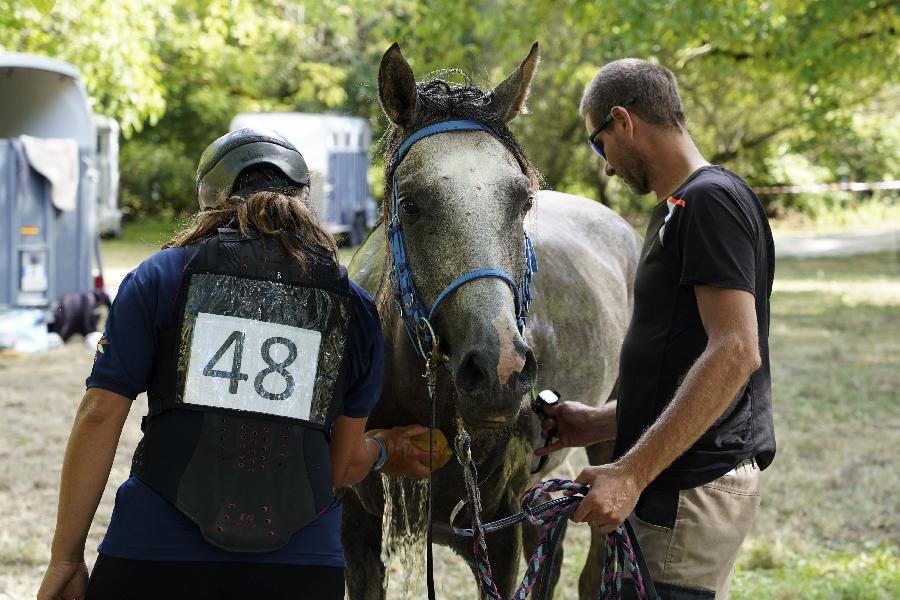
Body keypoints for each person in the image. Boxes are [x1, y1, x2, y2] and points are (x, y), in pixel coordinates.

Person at [37, 128, 434, 600]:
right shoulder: (354, 306)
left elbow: (100, 414)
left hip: (153, 554)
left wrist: (66, 555)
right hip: (300, 570)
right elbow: (341, 466)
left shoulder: (160, 277)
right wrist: (386, 449)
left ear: (210, 196)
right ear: (304, 200)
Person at [536, 60, 775, 599]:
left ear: (623, 121)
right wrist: (596, 423)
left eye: (600, 146)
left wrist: (630, 474)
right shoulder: (682, 207)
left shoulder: (709, 202)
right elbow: (682, 366)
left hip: (685, 492)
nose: (608, 170)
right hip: (671, 483)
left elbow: (736, 352)